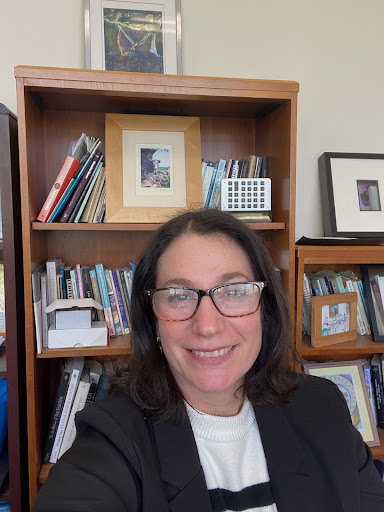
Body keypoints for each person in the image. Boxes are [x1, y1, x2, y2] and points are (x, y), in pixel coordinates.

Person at [33, 209, 384, 512]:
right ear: (153, 319)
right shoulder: (112, 441)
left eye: (233, 292)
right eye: (178, 296)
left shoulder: (322, 406)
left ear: (265, 309)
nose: (207, 326)